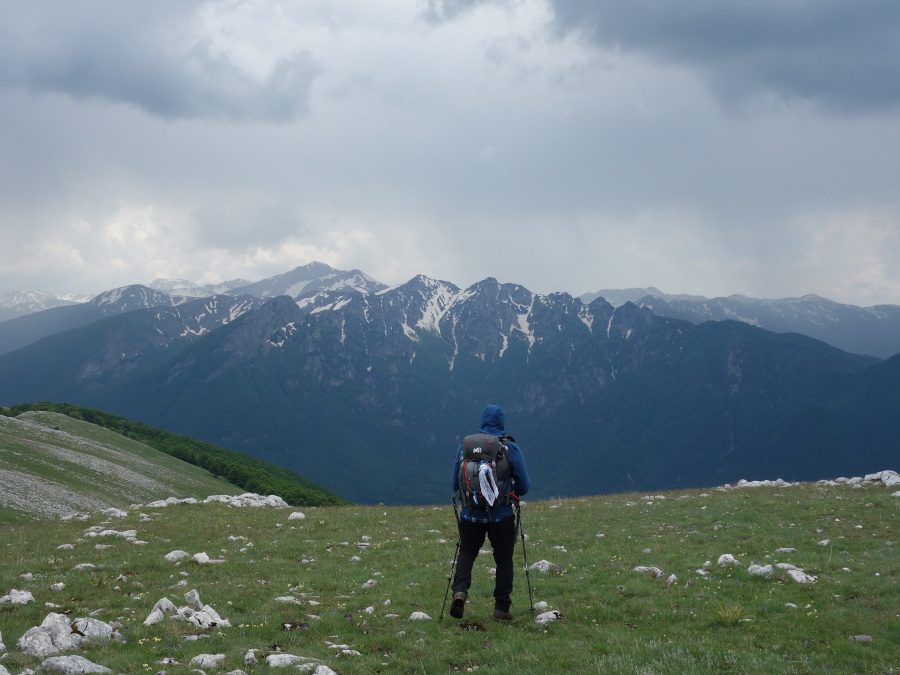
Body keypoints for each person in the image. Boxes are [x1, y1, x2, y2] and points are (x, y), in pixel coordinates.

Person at [450, 404, 531, 621]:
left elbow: (454, 484)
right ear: (501, 422)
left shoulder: (465, 448)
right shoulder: (510, 449)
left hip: (470, 515)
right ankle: (501, 609)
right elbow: (524, 486)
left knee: (467, 553)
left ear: (482, 422)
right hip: (501, 515)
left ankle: (459, 592)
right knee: (504, 559)